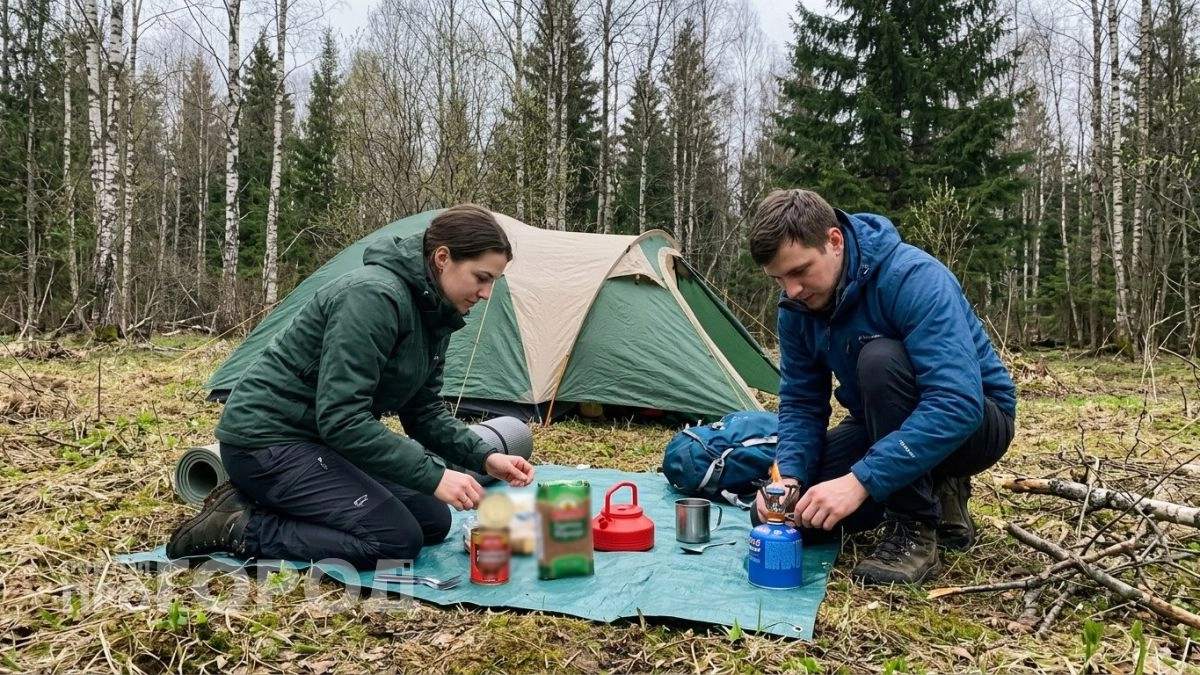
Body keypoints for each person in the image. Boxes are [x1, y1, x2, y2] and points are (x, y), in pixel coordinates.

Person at [166, 204, 535, 569]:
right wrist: (434, 474)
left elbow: (423, 411)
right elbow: (342, 418)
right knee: (394, 540)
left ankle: (284, 502)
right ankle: (239, 526)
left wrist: (484, 458)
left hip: (323, 442)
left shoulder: (435, 312)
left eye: (492, 282)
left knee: (433, 522)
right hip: (266, 443)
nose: (486, 293)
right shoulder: (373, 297)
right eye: (481, 277)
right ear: (442, 258)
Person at [748, 189, 1016, 585]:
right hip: (883, 423)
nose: (792, 290)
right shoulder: (796, 308)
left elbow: (957, 403)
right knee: (790, 517)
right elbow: (803, 402)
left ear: (834, 241)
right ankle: (938, 491)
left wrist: (861, 481)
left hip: (975, 423)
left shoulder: (914, 278)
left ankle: (915, 529)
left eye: (800, 271)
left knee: (879, 359)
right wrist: (788, 475)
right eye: (780, 278)